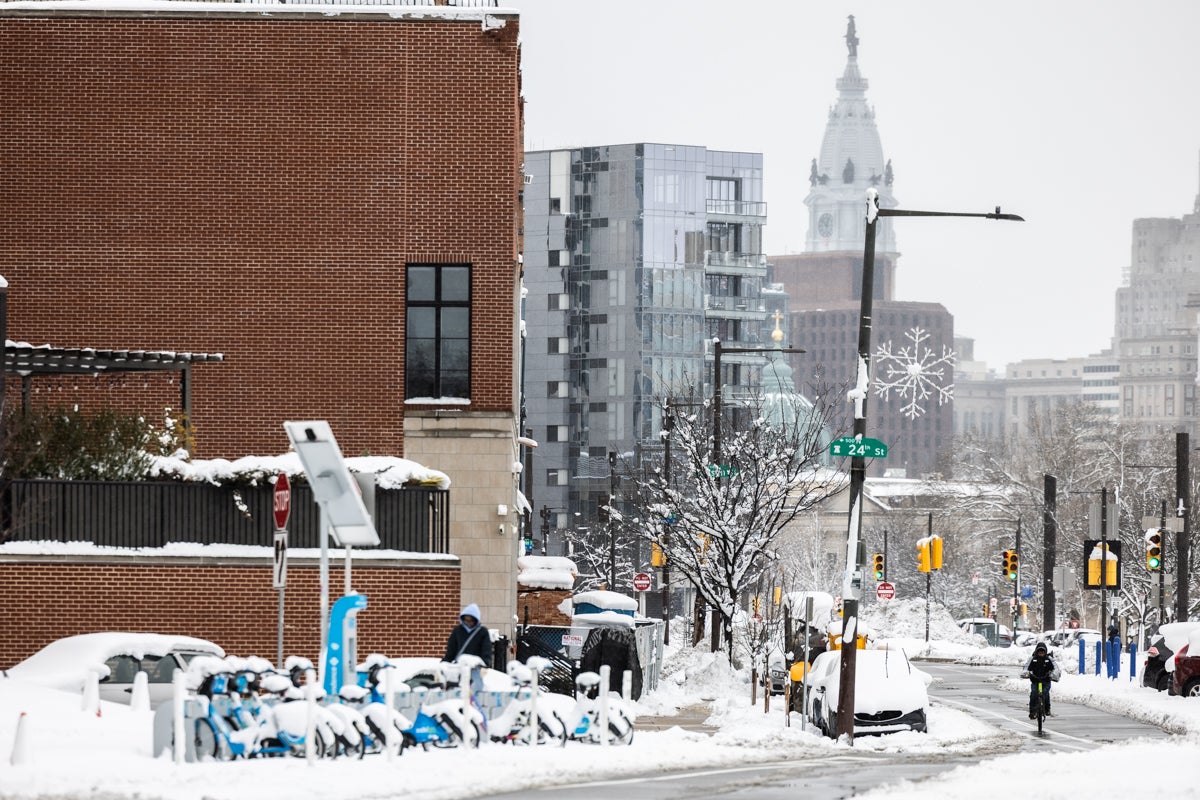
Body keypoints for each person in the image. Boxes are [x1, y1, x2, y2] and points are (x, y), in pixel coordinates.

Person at [444, 603, 492, 692]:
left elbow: (486, 650)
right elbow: (451, 650)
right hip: (459, 667)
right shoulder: (457, 631)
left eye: (471, 621)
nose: (468, 623)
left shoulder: (482, 632)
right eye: (466, 620)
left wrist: (485, 663)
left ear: (476, 620)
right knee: (457, 690)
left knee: (476, 689)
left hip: (475, 667)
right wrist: (445, 662)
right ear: (463, 619)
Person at [1021, 641, 1061, 719]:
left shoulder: (1049, 659)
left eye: (1043, 652)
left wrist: (1054, 675)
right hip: (1035, 680)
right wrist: (1026, 673)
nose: (1041, 653)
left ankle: (1047, 709)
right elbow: (1026, 667)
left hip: (1046, 680)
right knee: (1033, 694)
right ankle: (1032, 712)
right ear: (1036, 651)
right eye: (1039, 651)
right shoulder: (1032, 659)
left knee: (1045, 693)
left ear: (1045, 652)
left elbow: (1056, 668)